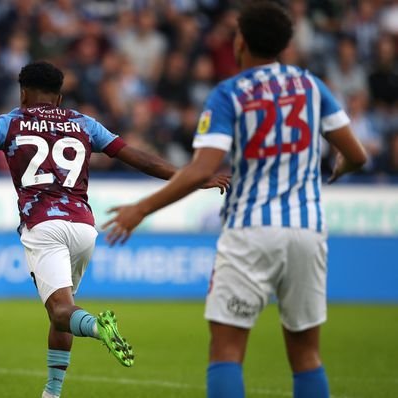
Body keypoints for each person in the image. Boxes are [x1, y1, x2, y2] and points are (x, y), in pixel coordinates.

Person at [0, 60, 230, 398]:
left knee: (61, 311)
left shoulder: (11, 121)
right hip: (85, 227)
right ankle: (52, 392)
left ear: (22, 92)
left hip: (43, 224)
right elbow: (139, 158)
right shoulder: (85, 124)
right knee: (62, 310)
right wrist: (196, 178)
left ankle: (100, 328)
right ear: (60, 95)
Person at [103, 3, 367, 398]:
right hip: (308, 230)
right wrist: (342, 167)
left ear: (240, 40)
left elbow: (199, 169)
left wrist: (141, 208)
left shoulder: (229, 93)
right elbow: (357, 154)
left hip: (250, 230)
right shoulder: (312, 86)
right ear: (285, 43)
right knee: (306, 353)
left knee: (226, 349)